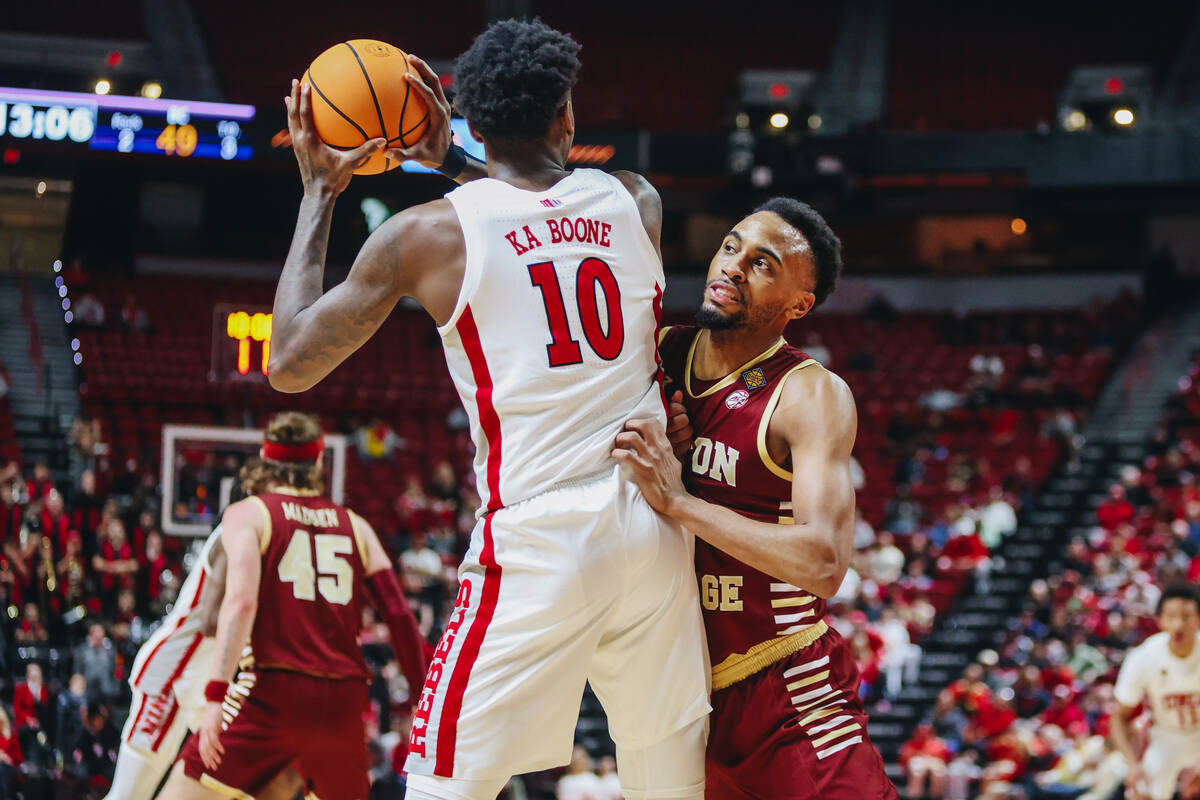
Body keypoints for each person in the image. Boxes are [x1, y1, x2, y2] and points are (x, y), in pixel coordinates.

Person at [268, 19, 708, 800]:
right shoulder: (634, 200)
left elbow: (289, 364)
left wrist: (319, 191)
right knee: (666, 777)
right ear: (566, 115)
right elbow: (538, 202)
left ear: (468, 112)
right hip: (654, 523)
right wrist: (454, 158)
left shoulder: (428, 236)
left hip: (540, 537)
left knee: (441, 781)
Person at [614, 199, 897, 798]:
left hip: (784, 686)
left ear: (799, 305)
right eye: (731, 246)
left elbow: (824, 562)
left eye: (763, 264)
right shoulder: (656, 353)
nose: (734, 266)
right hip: (677, 690)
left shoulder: (809, 394)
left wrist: (680, 500)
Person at [161, 412, 428, 800]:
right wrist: (424, 694)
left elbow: (241, 601)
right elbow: (401, 615)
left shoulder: (248, 514)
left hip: (272, 694)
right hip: (342, 704)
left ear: (265, 460)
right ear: (319, 462)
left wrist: (216, 695)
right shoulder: (357, 525)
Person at [102, 526, 227, 800]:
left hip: (198, 685)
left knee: (235, 778)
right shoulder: (233, 534)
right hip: (172, 678)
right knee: (128, 796)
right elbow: (212, 621)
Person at [1111, 583, 1200, 800]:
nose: (1178, 624)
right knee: (1139, 791)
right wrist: (1132, 765)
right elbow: (1118, 718)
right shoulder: (1143, 657)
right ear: (1160, 620)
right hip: (1165, 736)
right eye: (1171, 616)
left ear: (1198, 620)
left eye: (1186, 617)